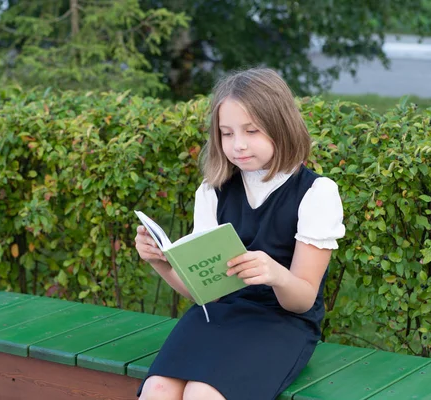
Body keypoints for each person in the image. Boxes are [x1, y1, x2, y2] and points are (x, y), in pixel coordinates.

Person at [134, 67, 345, 400]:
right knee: (157, 390)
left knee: (202, 394)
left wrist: (276, 274)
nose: (238, 145)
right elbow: (208, 294)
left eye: (252, 131)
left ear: (282, 128)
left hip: (282, 323)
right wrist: (160, 262)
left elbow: (302, 301)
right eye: (226, 133)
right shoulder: (213, 191)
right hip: (218, 315)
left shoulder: (315, 193)